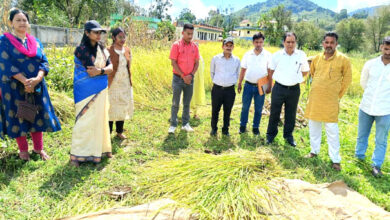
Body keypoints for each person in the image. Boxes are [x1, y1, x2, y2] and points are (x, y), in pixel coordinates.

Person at [0, 8, 61, 161]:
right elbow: (5, 64)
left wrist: (37, 79)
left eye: (24, 20)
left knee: (37, 114)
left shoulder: (35, 41)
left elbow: (44, 62)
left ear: (28, 23)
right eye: (18, 20)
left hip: (37, 86)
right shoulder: (4, 41)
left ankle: (38, 149)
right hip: (14, 87)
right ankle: (23, 151)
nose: (22, 23)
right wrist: (25, 81)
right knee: (17, 116)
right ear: (11, 23)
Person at [304, 32, 352, 171]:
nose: (329, 45)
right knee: (314, 127)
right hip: (315, 100)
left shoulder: (343, 59)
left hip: (331, 102)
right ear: (323, 43)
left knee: (332, 131)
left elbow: (347, 80)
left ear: (336, 44)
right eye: (327, 42)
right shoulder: (317, 58)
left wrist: (336, 95)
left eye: (332, 43)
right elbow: (312, 73)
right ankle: (314, 151)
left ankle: (335, 160)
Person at [70, 20, 113, 167]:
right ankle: (77, 156)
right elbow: (91, 71)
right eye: (95, 32)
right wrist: (102, 71)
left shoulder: (102, 48)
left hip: (101, 89)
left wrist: (101, 71)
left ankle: (98, 152)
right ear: (87, 33)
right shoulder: (81, 49)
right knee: (84, 122)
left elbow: (110, 68)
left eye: (100, 32)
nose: (98, 34)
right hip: (85, 91)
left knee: (99, 120)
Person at [355, 36, 390, 177]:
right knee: (362, 134)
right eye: (386, 49)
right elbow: (363, 82)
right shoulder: (370, 64)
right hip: (366, 106)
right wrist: (371, 96)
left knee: (381, 139)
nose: (388, 52)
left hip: (385, 110)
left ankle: (376, 165)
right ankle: (358, 157)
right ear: (382, 47)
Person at [266, 32, 309, 147]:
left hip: (294, 89)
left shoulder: (301, 55)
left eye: (293, 42)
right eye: (288, 42)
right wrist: (271, 84)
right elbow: (271, 71)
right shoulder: (276, 55)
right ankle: (270, 135)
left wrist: (295, 78)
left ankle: (288, 136)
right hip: (279, 88)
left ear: (296, 42)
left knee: (291, 113)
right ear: (284, 42)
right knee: (274, 112)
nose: (290, 44)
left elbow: (305, 71)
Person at [237, 32, 272, 135]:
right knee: (245, 107)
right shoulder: (248, 54)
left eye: (261, 42)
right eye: (256, 42)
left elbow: (270, 71)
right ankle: (242, 126)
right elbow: (243, 69)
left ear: (263, 42)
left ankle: (255, 127)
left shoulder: (268, 55)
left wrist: (270, 85)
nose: (258, 44)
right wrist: (239, 83)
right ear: (253, 42)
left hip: (262, 85)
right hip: (248, 85)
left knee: (258, 108)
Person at [168, 24, 199, 133]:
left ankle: (185, 123)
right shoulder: (176, 45)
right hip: (178, 78)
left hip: (190, 79)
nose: (190, 36)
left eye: (192, 34)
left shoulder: (194, 47)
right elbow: (173, 62)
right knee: (175, 102)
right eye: (188, 34)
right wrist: (183, 76)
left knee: (187, 102)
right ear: (183, 33)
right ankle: (173, 124)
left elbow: (197, 63)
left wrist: (191, 75)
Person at [210, 38, 240, 136]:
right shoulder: (216, 58)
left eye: (230, 45)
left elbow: (237, 74)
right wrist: (218, 81)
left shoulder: (236, 60)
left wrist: (231, 82)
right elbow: (212, 72)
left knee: (227, 111)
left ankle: (225, 129)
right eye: (226, 45)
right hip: (217, 89)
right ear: (222, 46)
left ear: (233, 47)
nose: (228, 47)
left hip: (230, 90)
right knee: (215, 110)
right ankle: (214, 128)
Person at [107, 27, 134, 140]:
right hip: (112, 84)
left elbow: (129, 65)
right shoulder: (108, 50)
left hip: (124, 84)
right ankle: (107, 133)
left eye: (124, 37)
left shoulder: (127, 50)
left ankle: (119, 131)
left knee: (122, 106)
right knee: (111, 107)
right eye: (120, 37)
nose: (122, 39)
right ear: (113, 37)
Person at [190, 42, 206, 120]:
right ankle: (186, 112)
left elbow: (202, 69)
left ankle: (195, 113)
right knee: (187, 96)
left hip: (198, 81)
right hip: (189, 80)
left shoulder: (200, 57)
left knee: (196, 95)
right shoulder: (189, 57)